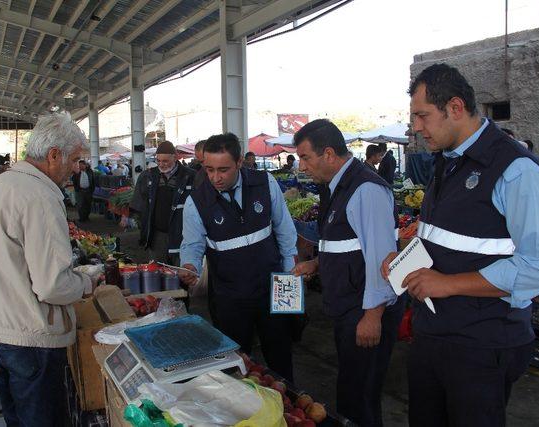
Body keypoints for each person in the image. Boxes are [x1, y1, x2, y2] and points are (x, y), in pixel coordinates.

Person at [380, 63, 539, 427]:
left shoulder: (516, 170)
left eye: (422, 115)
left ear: (456, 108)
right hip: (433, 334)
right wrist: (403, 259)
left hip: (482, 343)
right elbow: (446, 239)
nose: (415, 126)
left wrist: (448, 284)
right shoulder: (447, 163)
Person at [0, 112, 93, 427]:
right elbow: (52, 286)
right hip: (27, 336)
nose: (76, 169)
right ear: (53, 155)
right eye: (74, 160)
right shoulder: (40, 196)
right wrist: (85, 284)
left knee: (16, 419)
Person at [290, 119, 404, 426]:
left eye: (305, 158)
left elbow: (381, 256)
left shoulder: (365, 189)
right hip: (349, 305)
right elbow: (349, 244)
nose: (301, 167)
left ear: (328, 154)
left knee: (360, 396)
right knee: (352, 391)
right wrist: (317, 264)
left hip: (364, 309)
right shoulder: (338, 186)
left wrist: (373, 316)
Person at [179, 133, 298, 381]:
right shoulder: (196, 202)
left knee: (281, 356)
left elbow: (285, 231)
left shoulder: (265, 183)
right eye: (209, 169)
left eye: (223, 169)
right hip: (229, 295)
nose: (215, 177)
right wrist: (189, 265)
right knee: (236, 364)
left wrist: (291, 283)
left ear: (240, 162)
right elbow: (192, 244)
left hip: (275, 287)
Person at [130, 141, 195, 265]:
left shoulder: (190, 176)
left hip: (182, 233)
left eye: (165, 161)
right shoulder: (148, 176)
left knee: (181, 270)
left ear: (175, 158)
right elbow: (139, 199)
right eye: (158, 160)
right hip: (156, 234)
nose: (161, 164)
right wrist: (135, 219)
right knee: (157, 270)